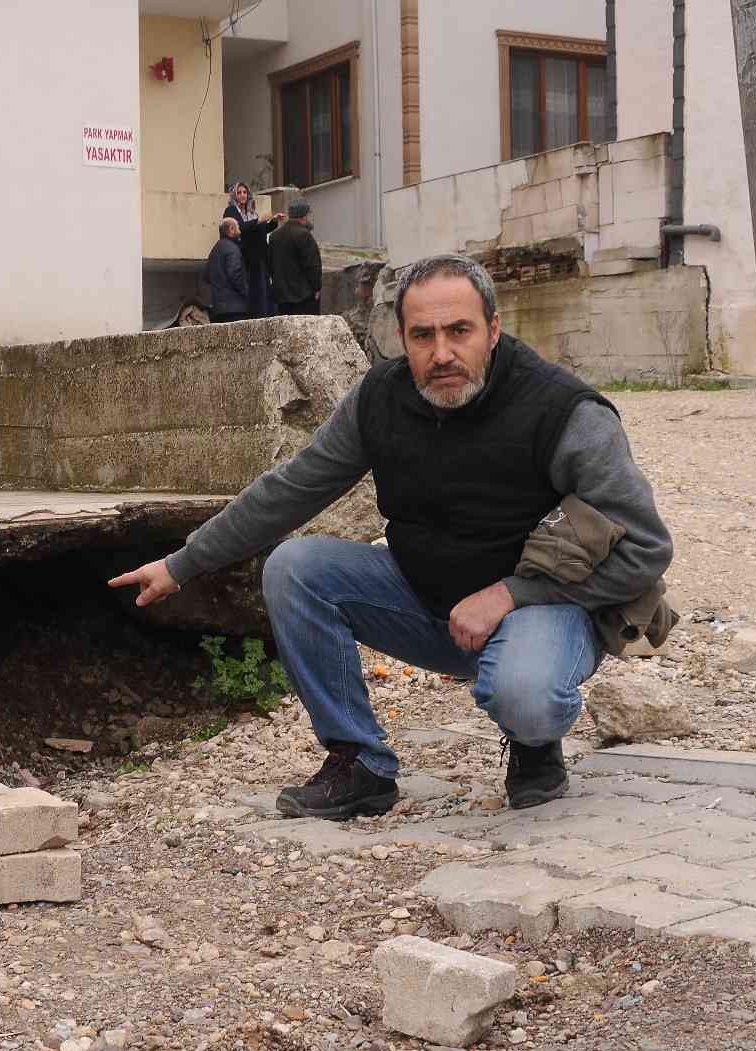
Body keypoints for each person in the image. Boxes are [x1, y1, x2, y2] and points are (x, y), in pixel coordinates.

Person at [109, 253, 673, 818]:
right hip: (429, 605)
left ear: (493, 329)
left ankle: (533, 744)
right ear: (401, 338)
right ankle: (360, 764)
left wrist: (510, 594)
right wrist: (181, 564)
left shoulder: (564, 411)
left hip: (541, 609)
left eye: (460, 331)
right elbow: (292, 488)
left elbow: (645, 549)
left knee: (525, 693)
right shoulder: (381, 398)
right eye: (423, 335)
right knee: (296, 568)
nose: (442, 353)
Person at [223, 181, 281, 318]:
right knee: (254, 295)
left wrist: (273, 222)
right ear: (234, 195)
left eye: (245, 192)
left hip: (259, 257)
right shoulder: (230, 211)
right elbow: (240, 229)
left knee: (265, 294)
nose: (242, 195)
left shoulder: (251, 212)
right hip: (246, 258)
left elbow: (260, 230)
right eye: (239, 192)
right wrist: (259, 220)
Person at [269, 199, 323, 315]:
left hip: (282, 297)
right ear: (304, 216)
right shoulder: (304, 235)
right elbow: (312, 265)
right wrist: (317, 288)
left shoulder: (274, 236)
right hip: (303, 297)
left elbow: (271, 265)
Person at [204, 218, 249, 324]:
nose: (240, 231)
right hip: (235, 308)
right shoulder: (233, 249)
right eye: (238, 228)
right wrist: (246, 292)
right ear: (231, 229)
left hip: (218, 309)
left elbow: (206, 276)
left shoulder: (215, 250)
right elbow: (235, 275)